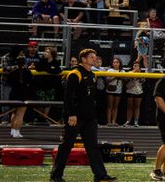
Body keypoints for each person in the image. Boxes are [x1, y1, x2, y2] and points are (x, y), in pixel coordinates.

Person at [49, 48, 115, 182]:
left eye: (95, 57)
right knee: (66, 146)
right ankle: (56, 175)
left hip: (89, 118)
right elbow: (68, 97)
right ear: (83, 59)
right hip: (75, 118)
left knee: (93, 147)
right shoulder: (75, 74)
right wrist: (71, 114)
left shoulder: (92, 75)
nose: (94, 59)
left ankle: (100, 175)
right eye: (91, 57)